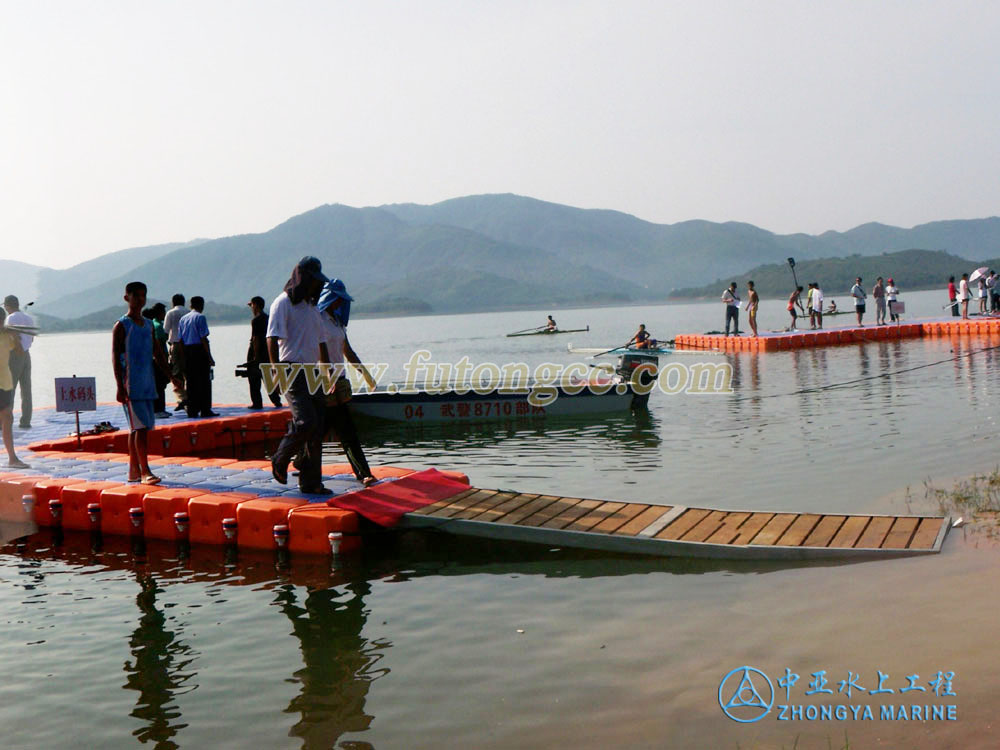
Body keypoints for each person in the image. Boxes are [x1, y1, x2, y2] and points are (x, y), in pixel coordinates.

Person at [267, 256, 331, 495]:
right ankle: (280, 458)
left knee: (318, 427)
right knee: (305, 421)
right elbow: (271, 338)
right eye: (313, 280)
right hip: (291, 368)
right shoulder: (282, 303)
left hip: (313, 371)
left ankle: (311, 480)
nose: (316, 285)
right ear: (303, 278)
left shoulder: (313, 308)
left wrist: (328, 372)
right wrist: (276, 369)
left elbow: (322, 341)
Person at [317, 279, 377, 486]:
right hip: (323, 380)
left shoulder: (337, 322)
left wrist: (365, 374)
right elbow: (319, 351)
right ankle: (363, 472)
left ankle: (301, 459)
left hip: (339, 380)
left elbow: (347, 351)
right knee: (344, 427)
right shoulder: (319, 320)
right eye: (338, 299)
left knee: (329, 426)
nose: (340, 304)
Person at [112, 282, 173, 485]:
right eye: (135, 295)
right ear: (126, 297)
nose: (140, 299)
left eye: (143, 295)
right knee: (140, 429)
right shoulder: (122, 325)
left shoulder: (148, 325)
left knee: (139, 428)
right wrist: (120, 386)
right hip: (131, 384)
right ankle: (145, 470)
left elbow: (158, 353)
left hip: (148, 382)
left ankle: (133, 470)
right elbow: (115, 356)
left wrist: (171, 376)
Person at [177, 296, 217, 418]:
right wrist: (209, 356)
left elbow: (180, 340)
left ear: (190, 305)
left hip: (188, 351)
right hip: (199, 350)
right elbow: (203, 338)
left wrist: (183, 357)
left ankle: (192, 410)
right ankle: (205, 409)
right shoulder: (200, 317)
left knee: (191, 382)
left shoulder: (183, 319)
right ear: (202, 305)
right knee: (204, 381)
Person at [0, 308, 29, 469]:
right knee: (6, 416)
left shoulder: (6, 335)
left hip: (5, 382)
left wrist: (16, 337)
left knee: (7, 418)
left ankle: (12, 458)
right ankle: (12, 457)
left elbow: (18, 351)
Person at [3, 295, 33, 429]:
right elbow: (31, 339)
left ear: (8, 305)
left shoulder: (11, 318)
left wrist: (17, 349)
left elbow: (13, 336)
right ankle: (26, 421)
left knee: (9, 389)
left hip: (15, 353)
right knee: (26, 390)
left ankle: (6, 421)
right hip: (27, 355)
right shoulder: (28, 318)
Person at [246, 296, 282, 409]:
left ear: (256, 305)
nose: (251, 308)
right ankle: (277, 401)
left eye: (251, 305)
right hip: (267, 354)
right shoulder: (268, 318)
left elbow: (255, 339)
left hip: (258, 354)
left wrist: (255, 357)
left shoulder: (256, 320)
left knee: (254, 380)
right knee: (268, 379)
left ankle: (257, 403)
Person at [142, 303, 171, 418]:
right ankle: (158, 409)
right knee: (159, 385)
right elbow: (157, 346)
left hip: (154, 360)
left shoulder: (153, 326)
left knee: (160, 385)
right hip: (156, 360)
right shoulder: (156, 326)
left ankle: (160, 408)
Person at [163, 294, 188, 411]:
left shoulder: (171, 313)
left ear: (173, 302)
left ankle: (182, 399)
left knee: (176, 373)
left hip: (176, 345)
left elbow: (166, 330)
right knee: (188, 372)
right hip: (189, 345)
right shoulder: (188, 312)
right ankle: (190, 397)